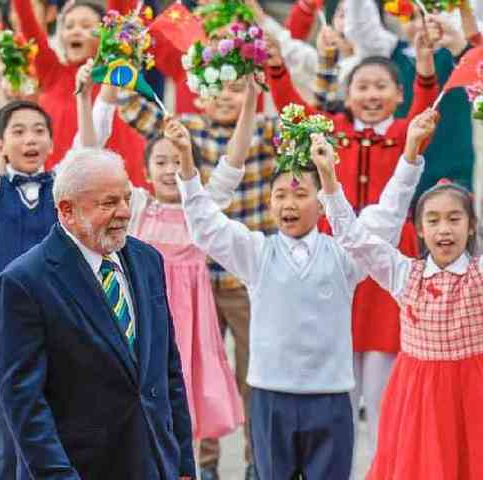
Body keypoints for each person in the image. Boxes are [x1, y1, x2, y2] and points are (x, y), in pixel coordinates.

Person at [176, 75, 421, 479]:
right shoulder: (257, 252)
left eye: (300, 193)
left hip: (331, 396)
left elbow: (389, 214)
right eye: (281, 195)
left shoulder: (345, 253)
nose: (289, 203)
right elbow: (204, 226)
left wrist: (410, 154)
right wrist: (187, 164)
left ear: (321, 202)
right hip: (271, 395)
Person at [266, 30, 438, 460]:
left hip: (386, 268)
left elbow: (424, 110)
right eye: (362, 86)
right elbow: (293, 109)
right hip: (335, 263)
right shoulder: (330, 133)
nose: (371, 94)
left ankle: (384, 466)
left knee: (383, 392)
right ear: (347, 92)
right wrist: (274, 66)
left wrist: (424, 66)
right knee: (339, 386)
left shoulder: (405, 134)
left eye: (382, 86)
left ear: (398, 94)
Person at [0, 146, 196, 479]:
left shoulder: (147, 261)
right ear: (67, 211)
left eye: (127, 199)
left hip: (155, 464)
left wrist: (184, 463)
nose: (125, 212)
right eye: (109, 203)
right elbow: (24, 403)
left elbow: (168, 369)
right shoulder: (23, 283)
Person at [76, 64, 244, 470]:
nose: (169, 170)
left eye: (177, 162)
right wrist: (89, 98)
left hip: (191, 325)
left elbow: (234, 162)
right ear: (146, 172)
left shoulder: (200, 211)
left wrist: (251, 99)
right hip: (144, 317)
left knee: (184, 397)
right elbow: (88, 156)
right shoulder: (135, 206)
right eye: (161, 162)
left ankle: (191, 466)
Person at [318, 109, 483, 480]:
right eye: (434, 220)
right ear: (419, 230)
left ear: (471, 226)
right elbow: (353, 237)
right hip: (417, 396)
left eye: (455, 219)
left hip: (473, 394)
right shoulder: (404, 273)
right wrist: (329, 179)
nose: (445, 229)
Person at [12, 0, 147, 185]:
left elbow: (119, 12)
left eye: (86, 26)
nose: (75, 31)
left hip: (104, 178)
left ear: (103, 36)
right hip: (59, 181)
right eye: (68, 26)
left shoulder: (108, 72)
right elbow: (28, 25)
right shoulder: (50, 71)